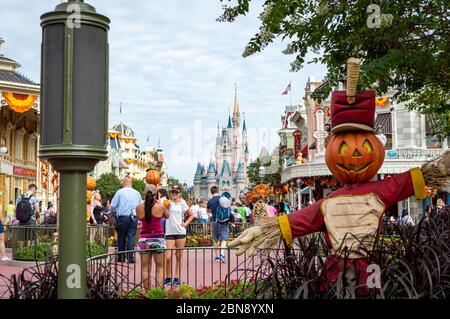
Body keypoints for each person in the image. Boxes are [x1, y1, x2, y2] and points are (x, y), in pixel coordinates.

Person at [136, 184, 169, 289]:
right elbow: (167, 215)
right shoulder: (160, 206)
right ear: (156, 194)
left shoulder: (139, 208)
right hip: (158, 239)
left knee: (145, 269)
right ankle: (158, 293)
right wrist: (159, 202)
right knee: (160, 268)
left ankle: (147, 292)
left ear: (144, 194)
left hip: (144, 239)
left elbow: (142, 217)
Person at [164, 185, 193, 287]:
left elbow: (191, 215)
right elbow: (163, 214)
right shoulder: (167, 203)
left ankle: (176, 277)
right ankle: (168, 277)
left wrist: (185, 224)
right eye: (172, 192)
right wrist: (165, 208)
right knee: (168, 257)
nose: (174, 194)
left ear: (179, 193)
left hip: (180, 232)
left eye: (176, 192)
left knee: (179, 256)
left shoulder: (183, 203)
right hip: (169, 232)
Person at [110, 177, 143, 263]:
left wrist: (110, 212)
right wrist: (139, 220)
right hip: (134, 217)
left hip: (123, 217)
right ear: (131, 183)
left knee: (121, 237)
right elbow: (140, 207)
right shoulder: (137, 193)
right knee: (131, 237)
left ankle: (121, 257)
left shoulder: (120, 192)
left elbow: (113, 205)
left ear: (123, 183)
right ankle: (131, 257)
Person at [207, 186, 229, 263]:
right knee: (224, 239)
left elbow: (208, 211)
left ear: (211, 192)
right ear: (218, 191)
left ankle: (216, 256)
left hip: (214, 221)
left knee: (215, 239)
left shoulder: (210, 201)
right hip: (223, 220)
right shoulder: (222, 198)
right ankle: (222, 254)